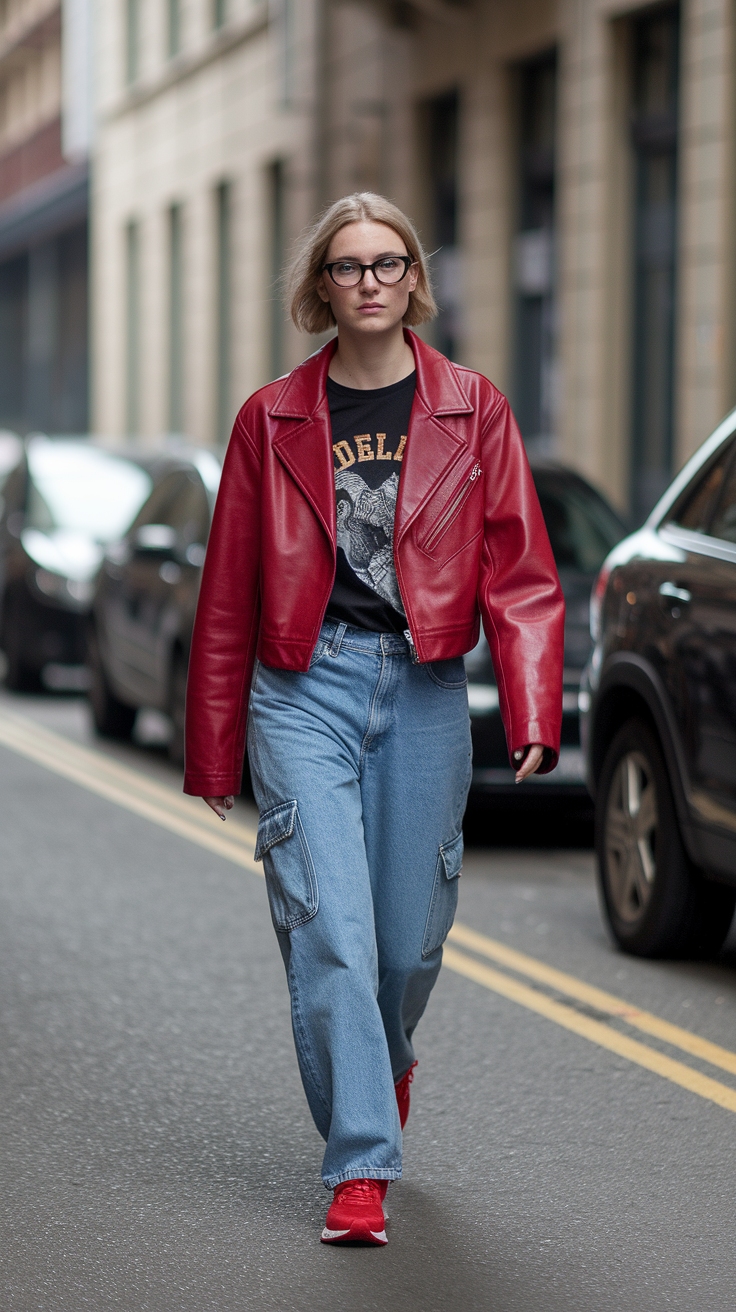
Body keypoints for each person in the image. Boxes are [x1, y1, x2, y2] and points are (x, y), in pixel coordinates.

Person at [183, 193, 564, 1246]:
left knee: (407, 946)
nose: (367, 282)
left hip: (428, 686)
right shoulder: (272, 419)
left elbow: (524, 574)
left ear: (412, 280)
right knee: (333, 933)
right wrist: (214, 741)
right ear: (320, 286)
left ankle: (383, 1062)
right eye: (346, 266)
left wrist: (531, 698)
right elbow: (226, 594)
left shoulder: (471, 409)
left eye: (386, 263)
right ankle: (360, 1163)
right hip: (304, 685)